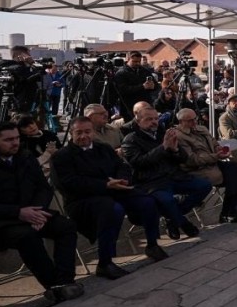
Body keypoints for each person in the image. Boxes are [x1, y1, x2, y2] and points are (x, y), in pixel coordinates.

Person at [52, 117, 168, 280]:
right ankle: (105, 262)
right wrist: (106, 184)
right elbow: (69, 183)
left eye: (87, 131)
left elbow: (122, 166)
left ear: (93, 132)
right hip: (83, 199)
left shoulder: (103, 148)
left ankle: (152, 244)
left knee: (147, 201)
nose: (84, 136)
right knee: (114, 210)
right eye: (79, 132)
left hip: (114, 190)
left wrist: (122, 179)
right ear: (71, 133)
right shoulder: (61, 156)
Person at [0, 121, 84, 303]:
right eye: (8, 140)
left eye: (17, 138)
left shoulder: (25, 157)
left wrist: (36, 211)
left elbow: (44, 188)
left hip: (34, 212)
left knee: (66, 226)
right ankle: (54, 285)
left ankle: (64, 282)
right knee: (27, 237)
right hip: (6, 221)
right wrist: (19, 212)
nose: (15, 143)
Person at [121, 108, 212, 240]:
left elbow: (183, 158)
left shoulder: (162, 133)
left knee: (204, 186)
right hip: (151, 181)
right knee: (167, 200)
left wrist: (175, 150)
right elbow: (139, 163)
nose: (154, 122)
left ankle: (173, 218)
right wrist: (163, 147)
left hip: (174, 176)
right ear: (138, 121)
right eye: (149, 119)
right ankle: (183, 223)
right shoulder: (130, 140)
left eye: (155, 119)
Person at [174, 109, 237, 223]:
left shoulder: (202, 129)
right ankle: (230, 210)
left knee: (233, 167)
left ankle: (233, 209)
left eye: (195, 119)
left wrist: (220, 150)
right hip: (197, 169)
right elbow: (192, 160)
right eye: (190, 121)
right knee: (232, 178)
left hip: (212, 162)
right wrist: (216, 156)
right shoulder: (179, 136)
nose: (194, 122)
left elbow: (214, 143)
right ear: (181, 121)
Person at [114, 51, 158, 121]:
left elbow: (156, 85)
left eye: (139, 61)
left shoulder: (144, 71)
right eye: (134, 61)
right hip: (129, 106)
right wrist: (142, 87)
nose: (137, 63)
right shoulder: (121, 73)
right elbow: (122, 90)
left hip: (145, 104)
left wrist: (153, 86)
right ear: (128, 59)